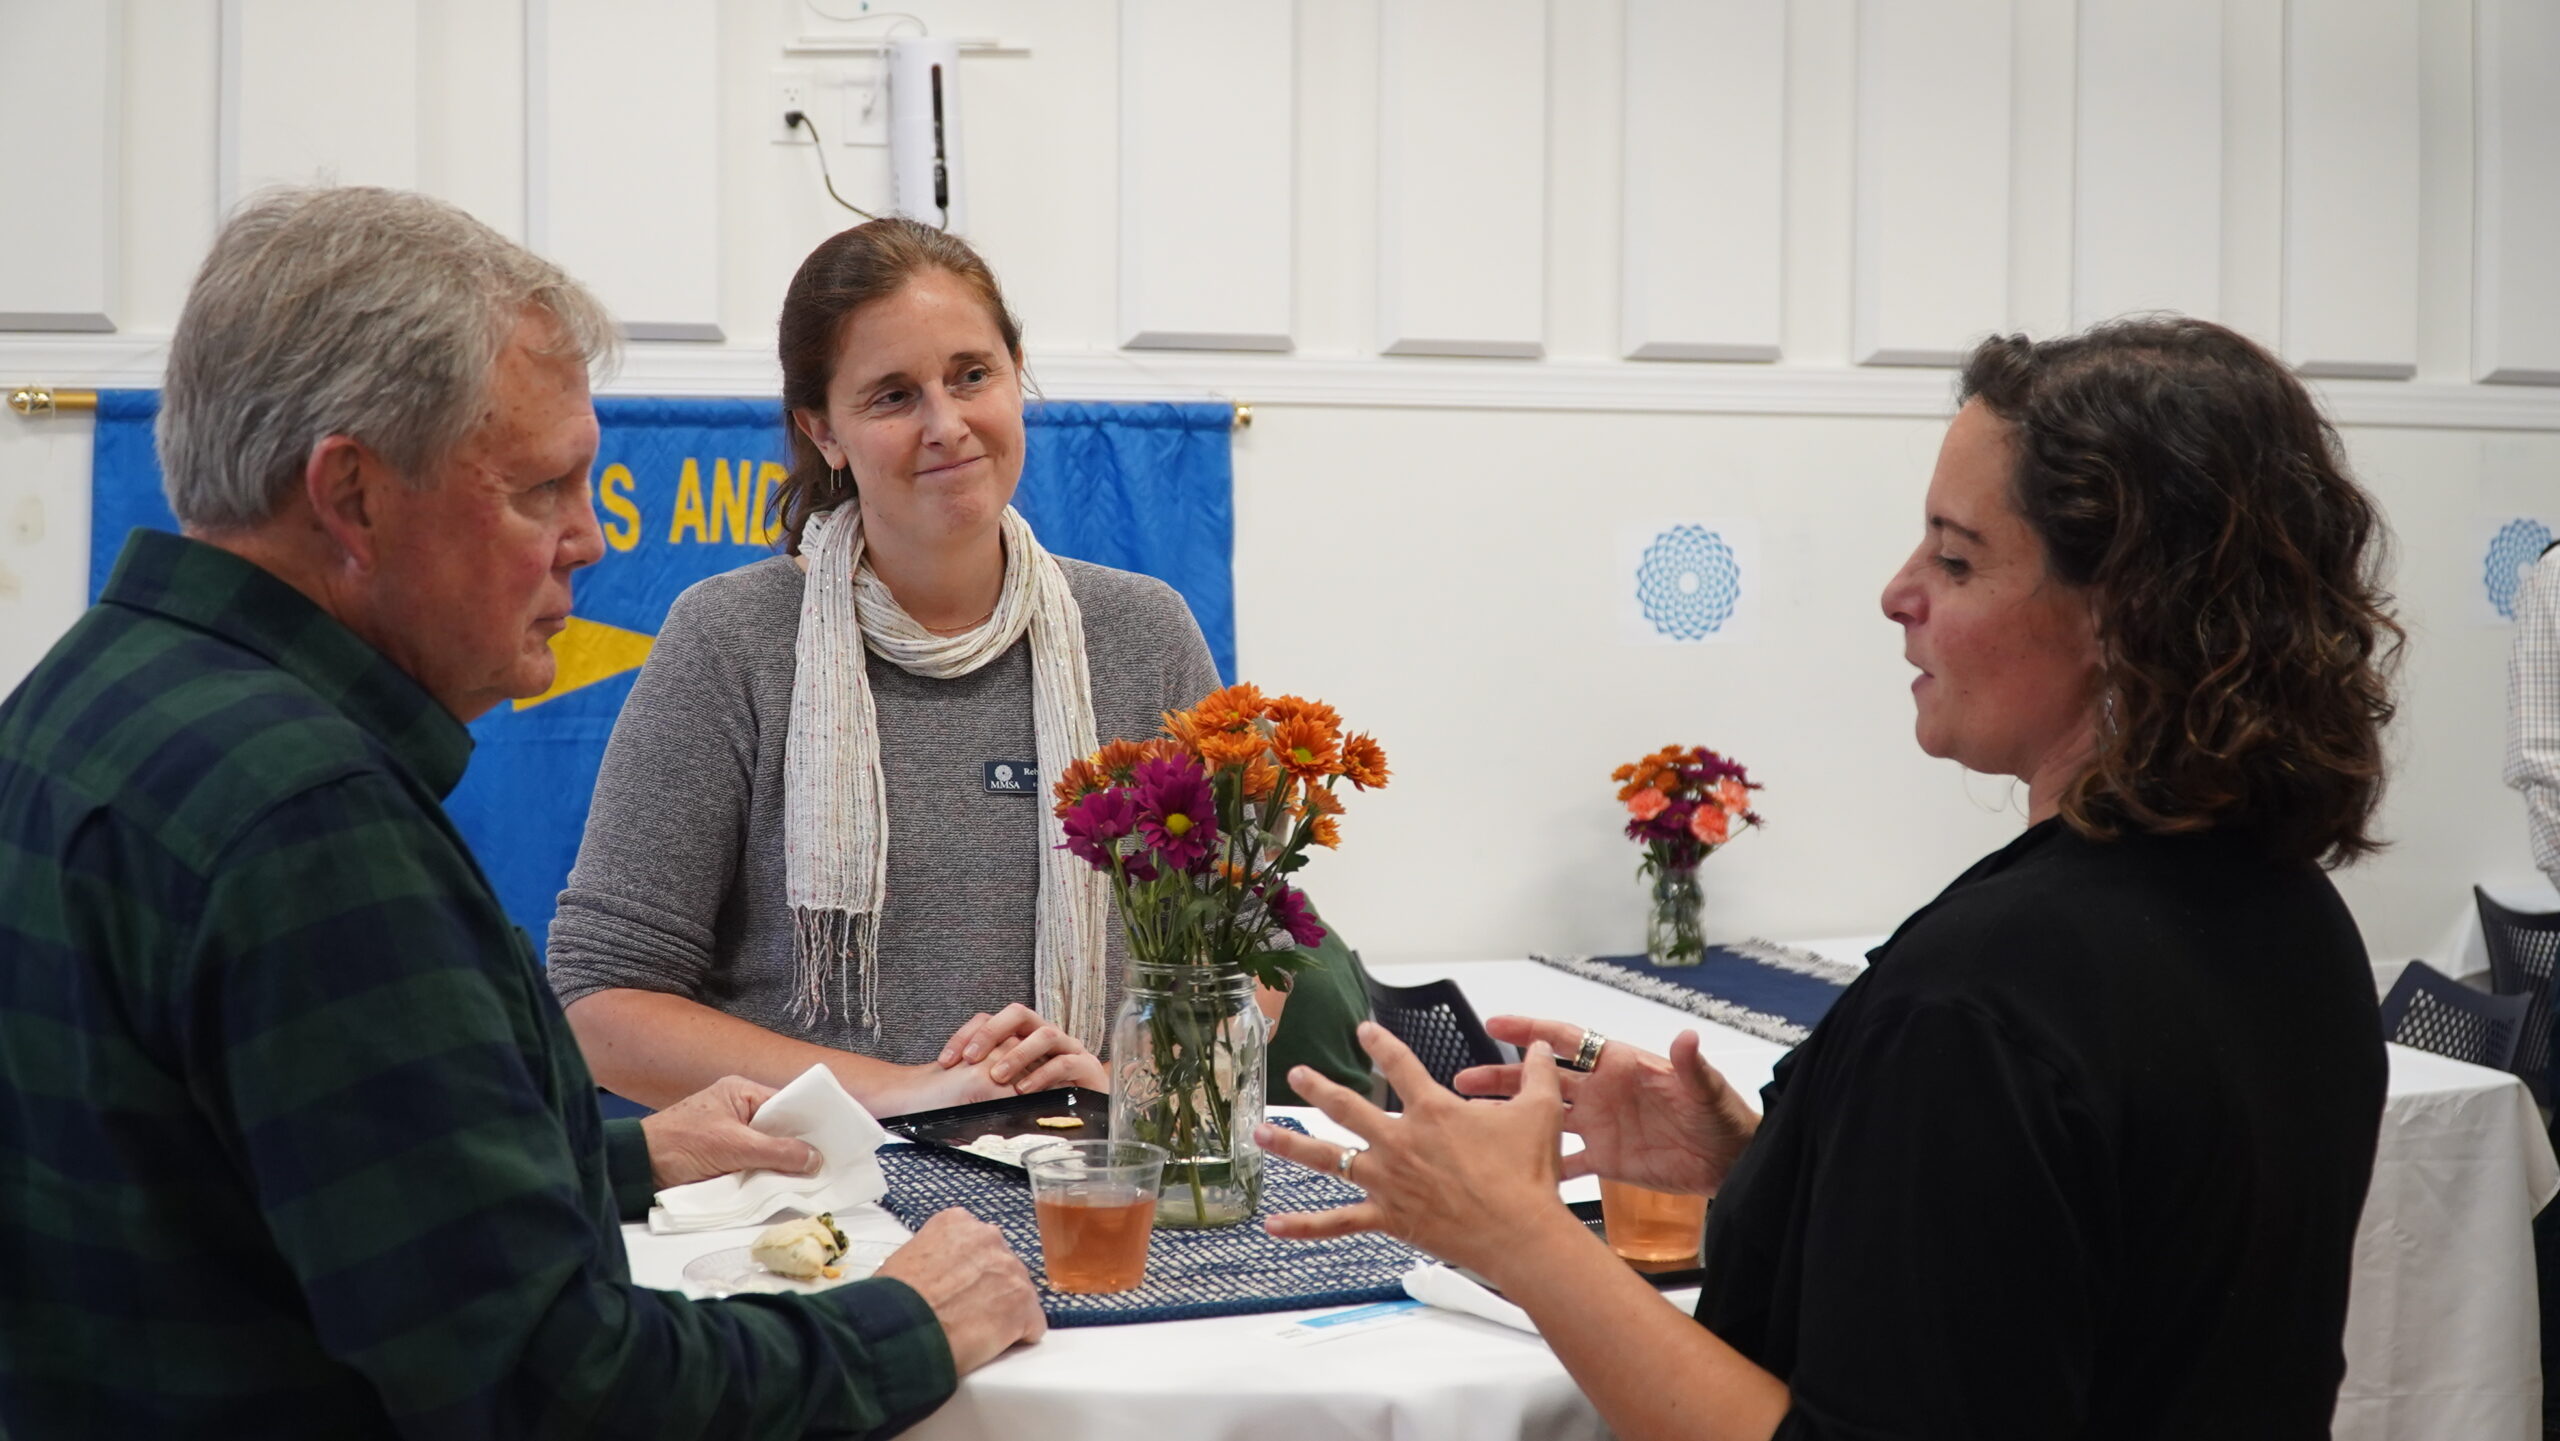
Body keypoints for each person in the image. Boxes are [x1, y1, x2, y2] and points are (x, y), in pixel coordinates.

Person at [0, 186, 1043, 1438]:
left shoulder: (71, 702)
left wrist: (632, 1160)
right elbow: (555, 1383)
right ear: (353, 496)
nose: (590, 540)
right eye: (542, 489)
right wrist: (904, 1323)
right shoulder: (308, 818)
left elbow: (314, 1187)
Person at [1260, 316, 2399, 1440]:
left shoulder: (1983, 999)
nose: (1898, 591)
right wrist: (1783, 1172)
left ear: (2123, 611)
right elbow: (2082, 1290)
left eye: (1956, 558)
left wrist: (1521, 1237)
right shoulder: (2288, 913)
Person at [547, 219, 1236, 1115]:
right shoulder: (730, 638)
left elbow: (1249, 952)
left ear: (1017, 376)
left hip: (1088, 1182)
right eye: (893, 396)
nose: (946, 425)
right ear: (823, 431)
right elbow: (601, 1004)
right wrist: (915, 1094)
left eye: (971, 376)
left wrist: (1130, 1090)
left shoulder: (1145, 633)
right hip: (818, 1209)